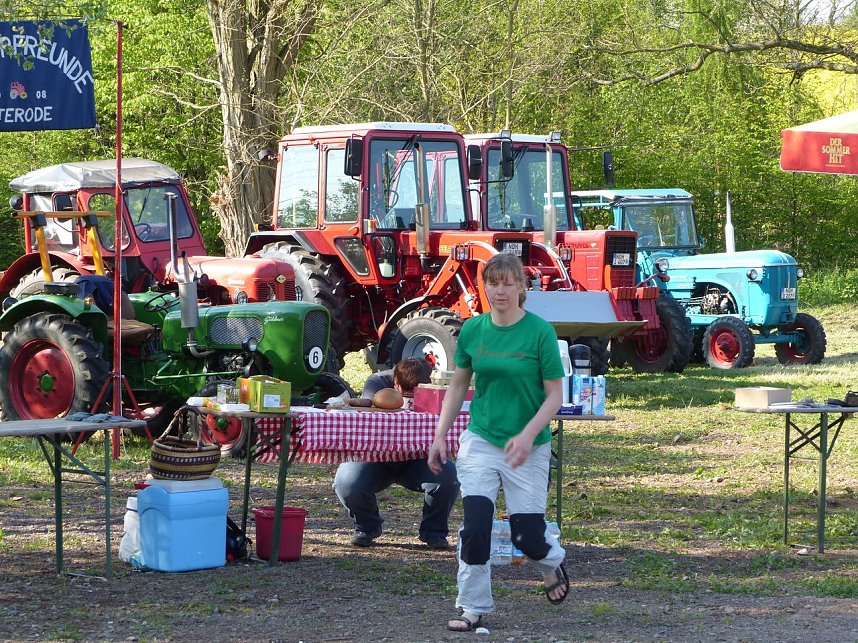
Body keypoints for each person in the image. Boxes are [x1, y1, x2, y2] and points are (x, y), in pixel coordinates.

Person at [428, 252, 569, 632]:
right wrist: (441, 434)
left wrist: (526, 436)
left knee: (527, 536)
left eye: (509, 283)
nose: (500, 290)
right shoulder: (473, 330)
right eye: (494, 283)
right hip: (481, 439)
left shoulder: (540, 332)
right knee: (475, 526)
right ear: (484, 286)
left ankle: (551, 563)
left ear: (522, 288)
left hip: (530, 444)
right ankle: (471, 607)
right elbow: (459, 384)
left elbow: (555, 395)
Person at [333, 357, 460, 549]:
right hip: (375, 458)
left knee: (449, 475)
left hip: (419, 459)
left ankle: (434, 532)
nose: (410, 399)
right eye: (406, 393)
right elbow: (366, 418)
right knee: (346, 482)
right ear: (395, 383)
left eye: (416, 393)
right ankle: (367, 527)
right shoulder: (376, 384)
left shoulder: (438, 388)